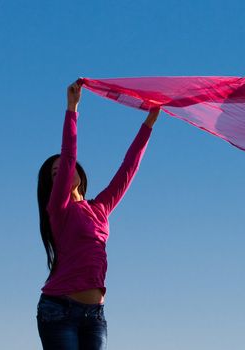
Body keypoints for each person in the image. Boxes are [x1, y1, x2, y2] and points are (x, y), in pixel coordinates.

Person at [35, 81, 159, 349]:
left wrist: (149, 123)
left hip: (95, 316)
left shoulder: (100, 207)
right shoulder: (58, 209)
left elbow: (128, 168)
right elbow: (68, 157)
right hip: (59, 310)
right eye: (55, 175)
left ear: (80, 174)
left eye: (64, 170)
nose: (63, 173)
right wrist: (72, 108)